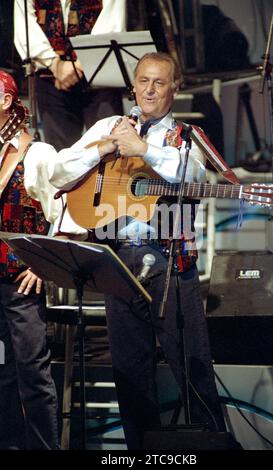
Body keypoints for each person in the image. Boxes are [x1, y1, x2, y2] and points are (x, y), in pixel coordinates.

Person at [43, 52, 226, 450]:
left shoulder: (187, 136)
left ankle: (215, 445)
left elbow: (192, 176)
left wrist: (143, 148)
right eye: (143, 81)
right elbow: (58, 170)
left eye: (159, 83)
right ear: (134, 86)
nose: (149, 90)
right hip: (118, 261)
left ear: (175, 88)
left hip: (170, 262)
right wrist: (104, 147)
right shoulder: (111, 125)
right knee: (129, 374)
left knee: (192, 369)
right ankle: (139, 452)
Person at [0, 71, 59, 450]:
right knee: (1, 372)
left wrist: (42, 265)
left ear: (5, 102)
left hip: (19, 281)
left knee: (32, 373)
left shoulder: (36, 152)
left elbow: (63, 215)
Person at [13, 0, 126, 151]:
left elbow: (113, 21)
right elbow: (24, 27)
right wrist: (55, 65)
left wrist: (79, 65)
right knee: (61, 154)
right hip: (51, 80)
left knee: (110, 147)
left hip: (99, 76)